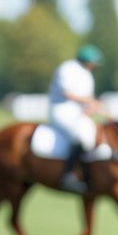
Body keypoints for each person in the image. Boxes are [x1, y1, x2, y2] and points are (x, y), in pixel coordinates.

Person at [47, 44, 105, 193]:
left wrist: (92, 108)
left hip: (78, 112)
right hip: (62, 109)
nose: (94, 67)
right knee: (79, 136)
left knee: (93, 136)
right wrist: (89, 102)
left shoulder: (87, 75)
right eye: (93, 63)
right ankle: (68, 175)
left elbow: (88, 98)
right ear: (87, 61)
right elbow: (68, 94)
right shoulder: (67, 68)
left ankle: (87, 175)